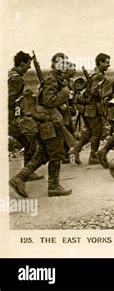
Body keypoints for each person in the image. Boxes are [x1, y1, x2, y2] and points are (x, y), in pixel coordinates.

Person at [9, 53, 73, 197]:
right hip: (49, 123)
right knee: (56, 154)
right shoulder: (52, 80)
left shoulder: (56, 79)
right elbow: (49, 100)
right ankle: (53, 186)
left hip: (47, 122)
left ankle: (19, 178)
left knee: (43, 154)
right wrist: (64, 94)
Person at [8, 51, 44, 181]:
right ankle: (27, 173)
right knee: (30, 141)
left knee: (29, 142)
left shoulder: (11, 75)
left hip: (10, 118)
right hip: (12, 119)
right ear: (22, 63)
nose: (29, 68)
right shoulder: (16, 78)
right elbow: (9, 100)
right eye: (28, 65)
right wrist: (23, 97)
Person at [70, 53, 110, 165]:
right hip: (93, 108)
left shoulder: (92, 73)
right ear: (100, 62)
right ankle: (93, 157)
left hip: (86, 108)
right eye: (107, 62)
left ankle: (75, 150)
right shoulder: (98, 76)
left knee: (88, 131)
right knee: (97, 132)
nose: (108, 65)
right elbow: (94, 91)